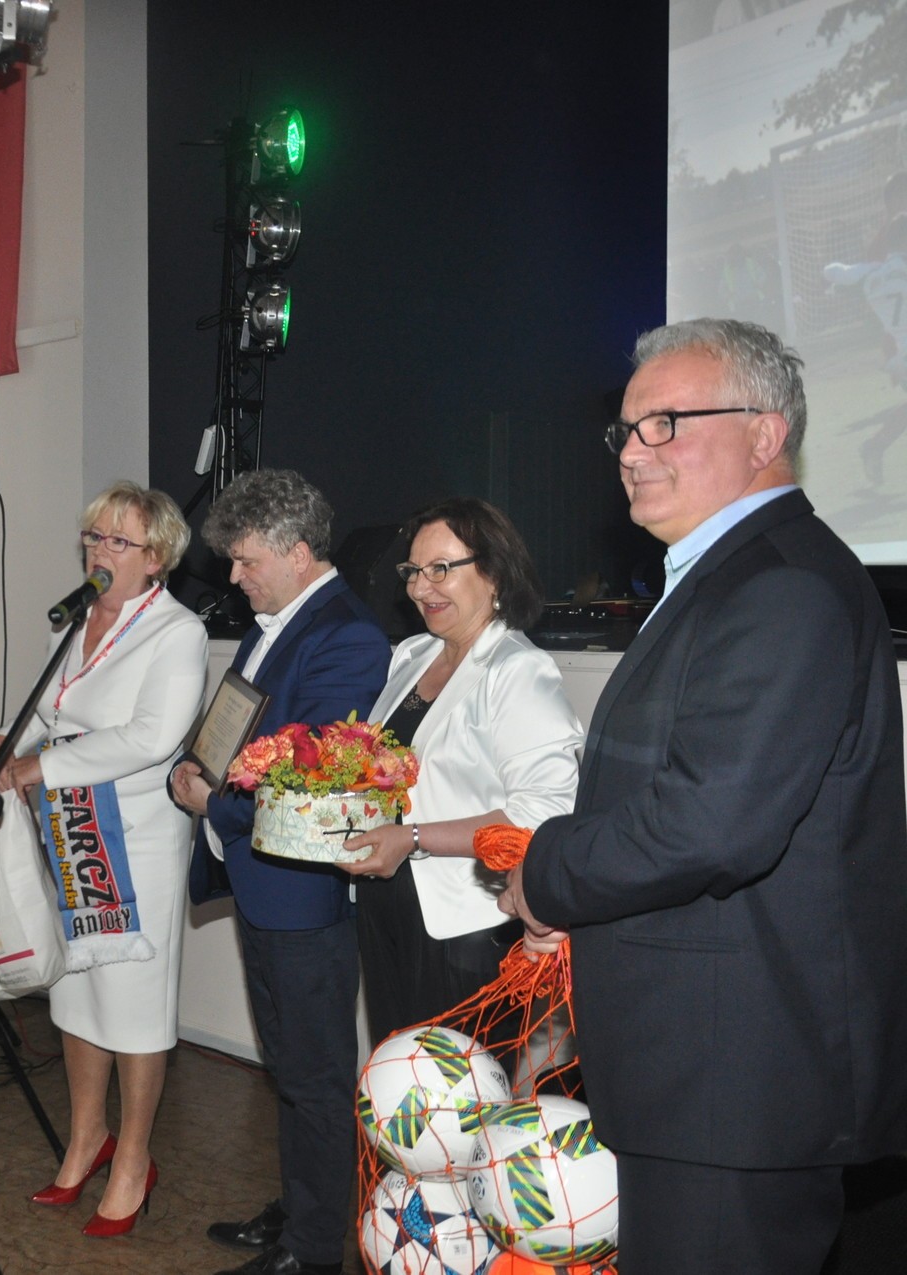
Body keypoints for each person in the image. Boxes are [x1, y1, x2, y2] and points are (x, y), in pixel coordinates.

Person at [502, 319, 907, 1271]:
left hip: (737, 1081)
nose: (632, 451)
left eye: (668, 423)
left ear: (765, 434)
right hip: (706, 1070)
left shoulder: (781, 586)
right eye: (627, 429)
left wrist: (546, 871)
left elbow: (709, 822)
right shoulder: (731, 576)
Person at [168, 468, 388, 1275]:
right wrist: (194, 765)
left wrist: (211, 803)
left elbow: (311, 777)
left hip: (305, 895)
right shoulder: (279, 623)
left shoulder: (347, 636)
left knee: (315, 1077)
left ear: (298, 552)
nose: (233, 575)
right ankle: (301, 1208)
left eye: (246, 559)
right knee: (290, 1070)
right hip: (268, 887)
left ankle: (313, 1250)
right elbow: (240, 738)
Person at [0, 482, 208, 1237]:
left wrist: (40, 767)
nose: (100, 551)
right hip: (70, 831)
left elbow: (153, 737)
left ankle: (135, 1159)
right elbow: (47, 709)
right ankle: (87, 1138)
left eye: (119, 541)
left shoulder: (177, 631)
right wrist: (8, 749)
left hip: (136, 840)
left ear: (157, 558)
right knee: (75, 992)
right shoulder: (79, 617)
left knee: (134, 1005)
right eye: (93, 536)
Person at [339, 497, 581, 1044]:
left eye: (441, 569)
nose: (420, 588)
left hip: (465, 925)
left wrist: (414, 838)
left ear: (494, 573)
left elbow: (545, 813)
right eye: (413, 570)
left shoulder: (517, 670)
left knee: (457, 1091)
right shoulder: (413, 655)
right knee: (395, 1081)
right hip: (387, 906)